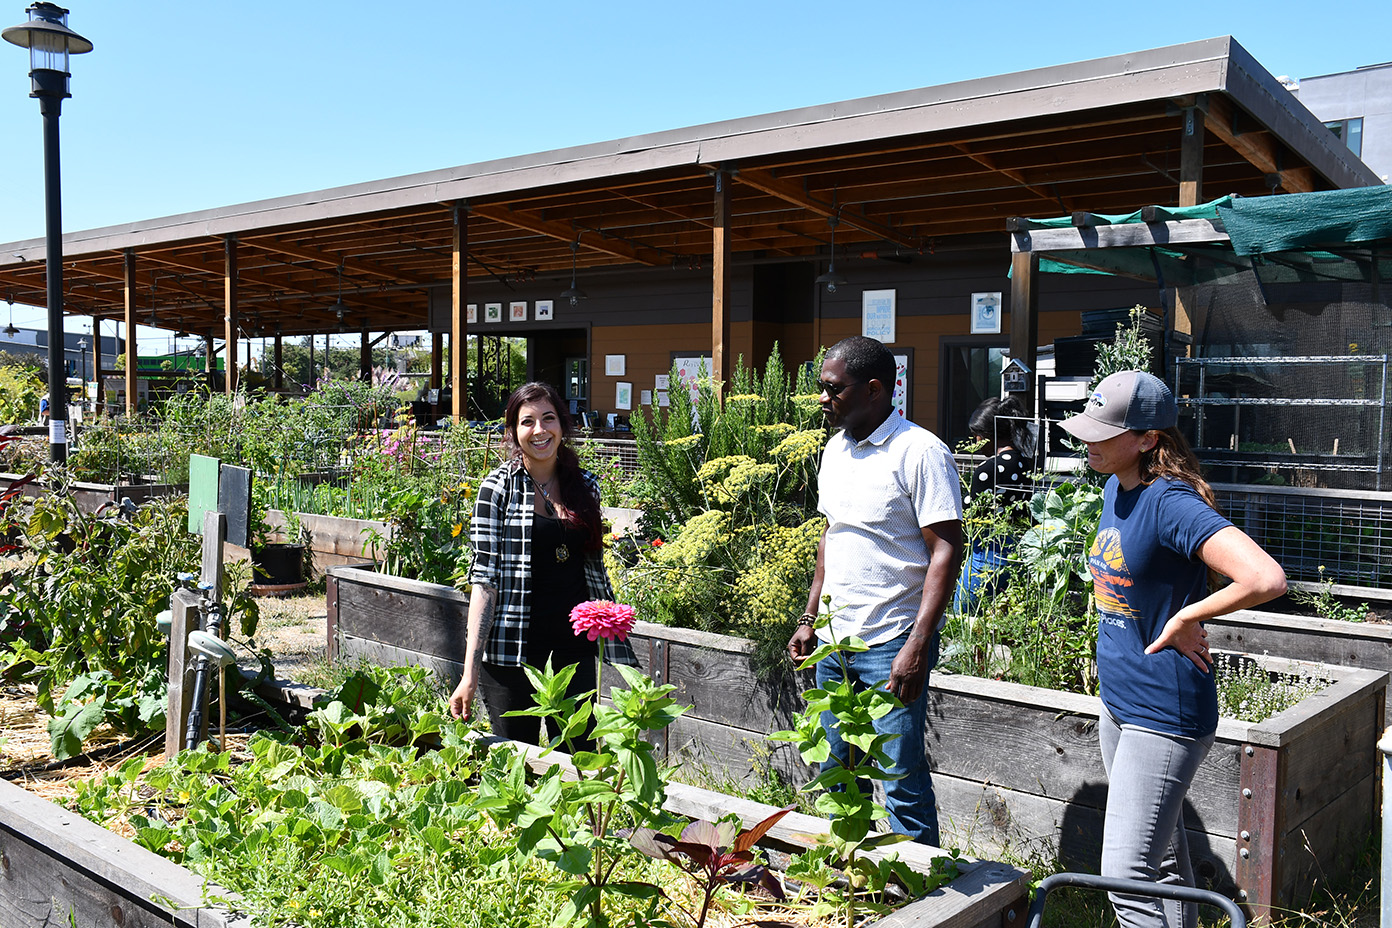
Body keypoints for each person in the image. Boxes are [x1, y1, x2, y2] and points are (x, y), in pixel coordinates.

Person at [1060, 371, 1286, 928]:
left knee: (1127, 878)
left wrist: (1190, 614)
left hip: (1164, 713)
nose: (1088, 440)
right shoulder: (1118, 484)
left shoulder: (1169, 502)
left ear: (1148, 439)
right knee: (1160, 866)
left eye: (1102, 432)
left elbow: (1265, 577)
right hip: (1120, 702)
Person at [786, 336, 963, 846]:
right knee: (836, 774)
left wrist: (917, 645)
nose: (822, 398)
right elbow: (831, 536)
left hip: (890, 644)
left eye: (832, 389)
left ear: (875, 389)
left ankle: (925, 896)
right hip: (834, 645)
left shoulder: (920, 452)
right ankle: (852, 876)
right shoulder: (836, 449)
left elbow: (946, 550)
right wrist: (808, 619)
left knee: (900, 778)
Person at [447, 382, 637, 747]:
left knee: (578, 756)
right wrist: (468, 671)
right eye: (527, 421)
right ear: (514, 431)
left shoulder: (585, 486)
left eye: (548, 419)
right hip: (513, 651)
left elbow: (590, 566)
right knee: (516, 757)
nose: (539, 430)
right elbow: (484, 581)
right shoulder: (496, 490)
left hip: (574, 649)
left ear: (562, 425)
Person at [953, 395, 1031, 614]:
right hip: (1016, 553)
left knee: (965, 618)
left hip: (986, 554)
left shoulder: (988, 470)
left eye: (977, 434)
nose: (976, 442)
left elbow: (970, 516)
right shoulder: (1024, 463)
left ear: (990, 435)